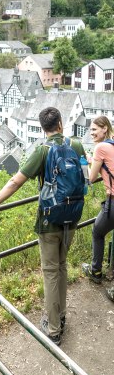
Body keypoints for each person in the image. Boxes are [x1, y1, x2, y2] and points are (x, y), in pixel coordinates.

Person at [0, 107, 86, 346]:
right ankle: (62, 314)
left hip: (49, 220)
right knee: (62, 266)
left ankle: (54, 329)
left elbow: (15, 181)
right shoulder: (77, 145)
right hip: (73, 216)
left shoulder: (42, 151)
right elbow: (86, 177)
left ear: (43, 128)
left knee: (50, 272)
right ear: (60, 124)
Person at [81, 116, 114, 301]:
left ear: (104, 129)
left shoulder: (101, 147)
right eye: (91, 130)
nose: (92, 133)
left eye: (95, 130)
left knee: (97, 232)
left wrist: (90, 161)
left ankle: (95, 272)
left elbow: (91, 178)